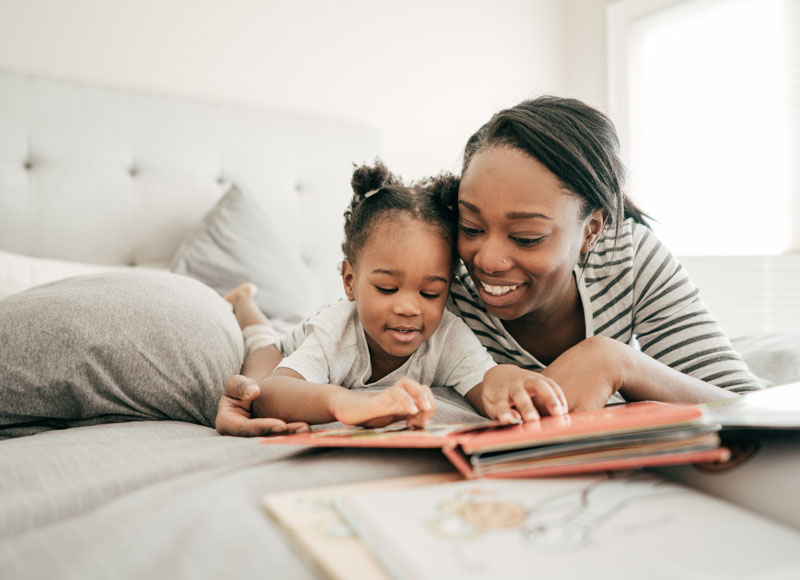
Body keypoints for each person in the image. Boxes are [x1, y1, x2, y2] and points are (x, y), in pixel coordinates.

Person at [217, 96, 761, 436]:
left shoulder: (632, 258)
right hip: (299, 334)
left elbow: (754, 407)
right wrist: (253, 390)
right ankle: (246, 305)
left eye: (526, 236)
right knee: (267, 335)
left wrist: (620, 362)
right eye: (471, 226)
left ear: (593, 229)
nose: (487, 260)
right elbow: (334, 347)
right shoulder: (434, 280)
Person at [216, 161, 567, 436]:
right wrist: (345, 403)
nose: (408, 307)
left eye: (430, 293)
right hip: (286, 347)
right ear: (350, 281)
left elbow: (485, 379)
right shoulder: (334, 332)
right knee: (261, 347)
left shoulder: (448, 335)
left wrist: (510, 380)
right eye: (387, 289)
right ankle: (245, 300)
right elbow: (275, 392)